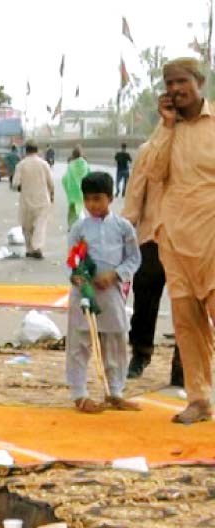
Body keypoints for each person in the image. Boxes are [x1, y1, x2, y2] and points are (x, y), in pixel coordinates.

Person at [141, 57, 215, 423]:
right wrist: (167, 126)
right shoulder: (165, 129)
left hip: (212, 239)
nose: (174, 89)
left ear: (199, 82)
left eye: (181, 81)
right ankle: (199, 399)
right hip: (175, 240)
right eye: (168, 83)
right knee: (187, 325)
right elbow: (153, 172)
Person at [66, 172, 142, 413]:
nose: (91, 205)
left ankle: (115, 392)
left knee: (115, 343)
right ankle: (80, 395)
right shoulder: (79, 227)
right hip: (84, 296)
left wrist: (115, 274)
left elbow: (133, 258)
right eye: (87, 199)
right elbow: (72, 261)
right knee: (79, 345)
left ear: (110, 198)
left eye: (97, 199)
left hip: (111, 294)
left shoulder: (123, 227)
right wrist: (78, 276)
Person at [122, 143, 184, 385]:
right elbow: (135, 193)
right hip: (152, 236)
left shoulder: (204, 144)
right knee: (145, 298)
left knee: (188, 306)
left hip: (191, 239)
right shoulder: (149, 150)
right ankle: (141, 353)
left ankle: (183, 364)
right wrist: (125, 235)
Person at [12, 140, 54, 259]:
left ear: (26, 150)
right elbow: (50, 183)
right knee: (40, 225)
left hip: (26, 200)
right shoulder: (44, 164)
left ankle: (30, 249)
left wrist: (23, 186)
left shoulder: (21, 165)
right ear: (37, 150)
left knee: (27, 226)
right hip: (42, 199)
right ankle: (37, 248)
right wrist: (52, 195)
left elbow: (15, 184)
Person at [62, 146, 90, 230]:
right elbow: (89, 176)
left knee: (75, 210)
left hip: (73, 191)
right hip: (83, 190)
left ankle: (79, 225)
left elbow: (66, 178)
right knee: (78, 208)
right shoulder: (85, 164)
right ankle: (72, 226)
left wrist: (66, 186)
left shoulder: (71, 165)